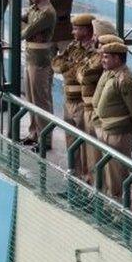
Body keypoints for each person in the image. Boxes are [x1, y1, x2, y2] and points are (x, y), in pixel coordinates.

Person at [93, 41, 132, 198]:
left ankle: (118, 210)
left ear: (117, 59)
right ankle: (110, 202)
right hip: (106, 129)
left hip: (119, 133)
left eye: (106, 57)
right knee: (108, 172)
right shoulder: (109, 73)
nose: (102, 60)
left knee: (117, 174)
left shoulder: (125, 79)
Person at [77, 20, 121, 184]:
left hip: (99, 111)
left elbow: (83, 75)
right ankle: (93, 182)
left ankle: (98, 186)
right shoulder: (95, 55)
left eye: (96, 35)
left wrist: (80, 71)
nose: (93, 38)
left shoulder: (101, 60)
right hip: (90, 106)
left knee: (96, 153)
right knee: (89, 150)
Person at [53, 13, 95, 176]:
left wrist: (70, 67)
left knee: (85, 145)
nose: (73, 32)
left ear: (86, 30)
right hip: (68, 100)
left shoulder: (93, 51)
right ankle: (74, 176)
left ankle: (86, 178)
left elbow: (83, 75)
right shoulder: (73, 46)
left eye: (76, 29)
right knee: (71, 142)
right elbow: (56, 64)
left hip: (82, 103)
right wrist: (70, 66)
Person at [20, 0, 56, 148]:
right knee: (31, 97)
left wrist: (25, 29)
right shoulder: (35, 9)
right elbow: (20, 24)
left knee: (41, 99)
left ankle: (45, 138)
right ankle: (34, 132)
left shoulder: (47, 12)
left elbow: (24, 33)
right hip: (30, 56)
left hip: (41, 60)